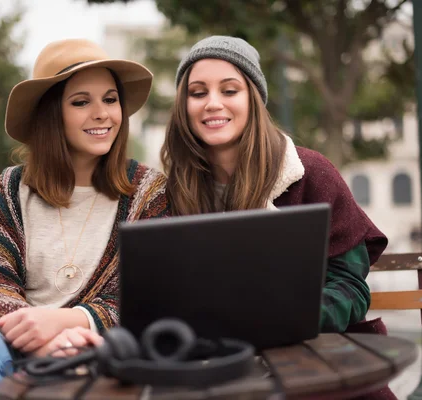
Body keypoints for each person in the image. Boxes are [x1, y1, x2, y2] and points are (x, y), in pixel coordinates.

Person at [0, 39, 168, 400]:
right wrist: (40, 340)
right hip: (14, 346)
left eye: (110, 99)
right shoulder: (10, 189)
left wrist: (71, 323)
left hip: (107, 347)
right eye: (81, 101)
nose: (102, 113)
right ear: (51, 114)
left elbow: (152, 291)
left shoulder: (148, 191)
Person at [160, 36, 395, 399]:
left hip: (312, 365)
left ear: (253, 99)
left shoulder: (309, 171)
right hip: (216, 369)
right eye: (197, 92)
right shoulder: (173, 192)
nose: (213, 103)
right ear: (184, 105)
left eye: (229, 90)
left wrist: (285, 321)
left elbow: (350, 284)